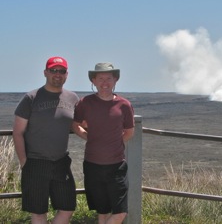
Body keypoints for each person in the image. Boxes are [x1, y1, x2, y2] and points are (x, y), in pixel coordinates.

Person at [12, 56, 79, 224]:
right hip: (35, 162)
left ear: (66, 74)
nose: (57, 74)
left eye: (61, 71)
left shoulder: (73, 98)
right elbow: (18, 132)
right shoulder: (31, 98)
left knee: (67, 208)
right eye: (53, 70)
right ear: (45, 72)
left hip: (61, 162)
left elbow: (80, 124)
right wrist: (24, 162)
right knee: (38, 212)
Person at [72, 62, 135, 224]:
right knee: (102, 211)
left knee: (120, 212)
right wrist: (89, 137)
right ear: (93, 81)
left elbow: (129, 131)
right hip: (92, 165)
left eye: (109, 78)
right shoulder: (85, 103)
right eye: (100, 78)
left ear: (115, 80)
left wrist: (112, 142)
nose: (105, 82)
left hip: (116, 166)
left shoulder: (124, 105)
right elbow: (75, 124)